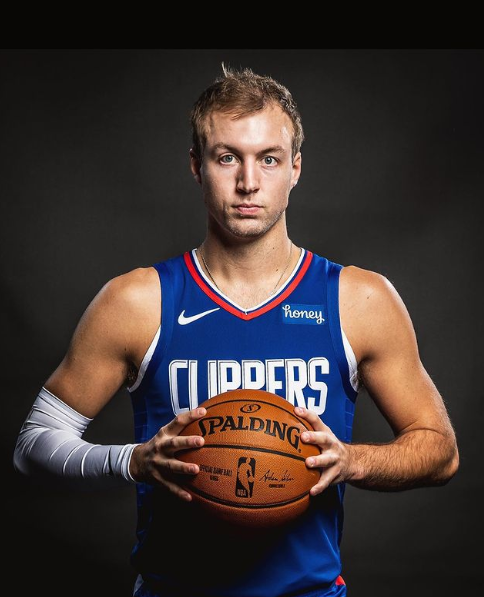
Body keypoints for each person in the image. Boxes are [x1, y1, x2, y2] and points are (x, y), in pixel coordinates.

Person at [13, 64, 459, 597]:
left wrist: (351, 460)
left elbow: (439, 451)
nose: (248, 182)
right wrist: (132, 460)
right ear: (196, 166)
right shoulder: (137, 301)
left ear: (295, 167)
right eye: (228, 157)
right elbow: (33, 445)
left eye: (268, 159)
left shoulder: (357, 300)